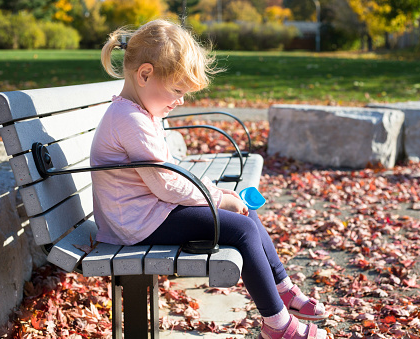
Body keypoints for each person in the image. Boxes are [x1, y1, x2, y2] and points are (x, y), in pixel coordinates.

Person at [92, 19, 329, 339]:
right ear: (145, 74)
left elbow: (165, 177)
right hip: (136, 224)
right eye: (177, 90)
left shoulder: (138, 111)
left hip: (148, 212)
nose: (181, 101)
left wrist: (223, 196)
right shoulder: (130, 119)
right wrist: (217, 198)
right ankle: (278, 325)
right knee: (242, 228)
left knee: (242, 209)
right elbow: (166, 184)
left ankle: (281, 289)